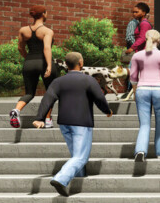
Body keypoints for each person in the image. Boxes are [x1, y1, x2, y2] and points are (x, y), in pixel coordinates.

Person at [32, 52, 113, 197]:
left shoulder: (58, 82)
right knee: (81, 156)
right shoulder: (88, 80)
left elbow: (47, 99)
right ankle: (60, 179)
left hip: (64, 123)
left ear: (66, 65)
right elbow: (99, 97)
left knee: (76, 153)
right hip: (81, 122)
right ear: (80, 63)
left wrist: (39, 118)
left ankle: (80, 178)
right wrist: (107, 110)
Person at [128, 29, 160, 176]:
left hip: (142, 90)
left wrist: (134, 92)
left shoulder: (137, 55)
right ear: (158, 40)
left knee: (144, 125)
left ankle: (140, 150)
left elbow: (133, 77)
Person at [12, 6, 57, 129]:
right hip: (43, 62)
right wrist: (48, 65)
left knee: (29, 93)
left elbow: (20, 48)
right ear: (43, 14)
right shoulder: (47, 31)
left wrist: (28, 58)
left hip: (29, 63)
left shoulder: (23, 30)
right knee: (51, 92)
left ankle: (16, 110)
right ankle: (47, 119)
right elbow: (46, 48)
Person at [120, 3, 154, 101]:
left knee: (134, 73)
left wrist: (132, 48)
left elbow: (143, 38)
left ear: (143, 13)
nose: (134, 14)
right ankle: (135, 95)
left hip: (143, 53)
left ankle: (135, 95)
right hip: (140, 52)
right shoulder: (141, 23)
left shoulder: (144, 23)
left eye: (136, 12)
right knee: (136, 74)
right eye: (133, 12)